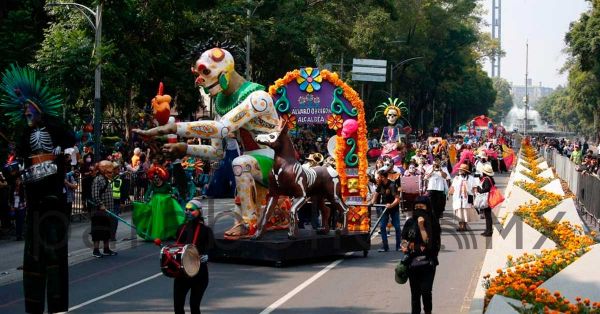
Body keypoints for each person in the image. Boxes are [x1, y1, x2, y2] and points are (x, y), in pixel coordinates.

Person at [173, 198, 214, 314]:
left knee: (194, 306)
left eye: (191, 210)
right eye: (186, 209)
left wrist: (207, 256)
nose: (187, 212)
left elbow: (212, 248)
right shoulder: (181, 229)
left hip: (199, 274)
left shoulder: (206, 230)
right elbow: (177, 247)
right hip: (182, 274)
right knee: (178, 306)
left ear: (199, 211)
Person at [401, 196, 440, 314]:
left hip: (428, 263)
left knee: (426, 292)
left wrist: (422, 226)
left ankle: (428, 311)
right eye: (416, 207)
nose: (418, 210)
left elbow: (429, 243)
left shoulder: (433, 223)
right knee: (415, 294)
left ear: (427, 208)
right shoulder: (410, 222)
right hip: (412, 263)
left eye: (421, 207)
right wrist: (403, 245)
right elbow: (404, 237)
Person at [132, 164, 186, 241]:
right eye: (154, 178)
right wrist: (146, 199)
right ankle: (155, 233)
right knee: (154, 217)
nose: (156, 179)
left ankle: (168, 233)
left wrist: (173, 194)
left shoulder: (166, 184)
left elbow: (173, 190)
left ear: (161, 177)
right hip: (155, 203)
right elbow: (148, 192)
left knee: (165, 218)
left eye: (157, 177)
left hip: (165, 203)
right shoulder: (153, 184)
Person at [369, 167, 401, 252]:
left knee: (397, 227)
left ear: (384, 177)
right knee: (382, 227)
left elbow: (397, 200)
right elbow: (376, 193)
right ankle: (385, 247)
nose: (377, 178)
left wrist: (391, 205)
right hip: (384, 208)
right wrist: (372, 202)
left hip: (393, 208)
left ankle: (399, 246)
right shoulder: (380, 185)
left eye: (379, 177)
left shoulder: (392, 185)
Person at [90, 160, 118, 258]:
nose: (112, 173)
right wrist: (101, 204)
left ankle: (106, 249)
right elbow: (95, 195)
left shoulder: (106, 179)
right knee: (97, 230)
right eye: (110, 171)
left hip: (107, 210)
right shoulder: (98, 180)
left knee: (107, 230)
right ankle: (96, 250)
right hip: (99, 211)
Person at [448, 164, 478, 231]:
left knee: (465, 212)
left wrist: (476, 194)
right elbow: (453, 187)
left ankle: (464, 226)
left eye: (461, 170)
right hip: (458, 197)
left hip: (467, 197)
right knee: (459, 212)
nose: (460, 171)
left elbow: (474, 187)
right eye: (460, 170)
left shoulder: (471, 178)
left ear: (465, 171)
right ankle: (460, 226)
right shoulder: (456, 178)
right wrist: (449, 193)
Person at [477, 164, 496, 237]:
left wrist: (479, 190)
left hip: (486, 199)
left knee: (488, 215)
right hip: (488, 198)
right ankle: (488, 230)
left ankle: (489, 231)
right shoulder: (490, 178)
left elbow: (486, 189)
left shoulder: (487, 179)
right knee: (487, 215)